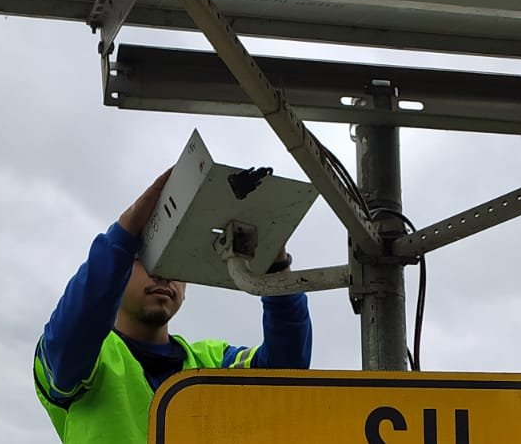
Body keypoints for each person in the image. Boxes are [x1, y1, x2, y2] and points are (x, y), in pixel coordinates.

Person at [34, 169, 313, 444]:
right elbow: (77, 326)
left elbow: (284, 373)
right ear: (118, 272)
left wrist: (275, 264)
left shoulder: (212, 363)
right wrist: (124, 233)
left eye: (170, 262)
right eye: (145, 259)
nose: (161, 274)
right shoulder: (83, 359)